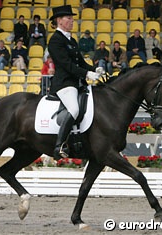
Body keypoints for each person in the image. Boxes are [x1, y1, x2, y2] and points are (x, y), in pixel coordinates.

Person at [48, 5, 99, 160]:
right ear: (59, 20)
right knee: (74, 109)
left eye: (72, 18)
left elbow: (81, 62)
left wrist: (95, 70)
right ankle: (60, 145)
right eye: (68, 18)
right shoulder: (55, 40)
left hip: (78, 82)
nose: (72, 21)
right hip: (65, 83)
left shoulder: (71, 39)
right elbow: (66, 65)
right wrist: (87, 73)